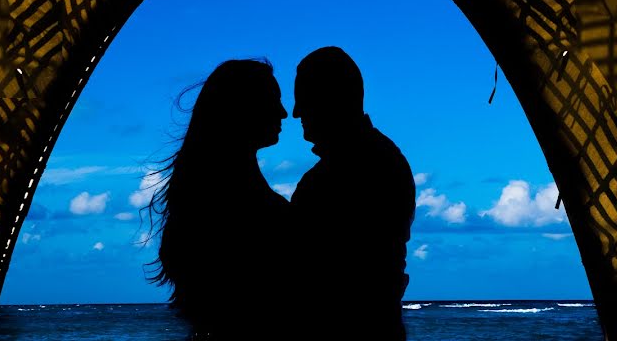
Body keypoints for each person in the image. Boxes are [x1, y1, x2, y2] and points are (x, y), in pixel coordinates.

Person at [146, 59, 291, 340]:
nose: (283, 112)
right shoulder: (241, 204)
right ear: (242, 109)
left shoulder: (203, 197)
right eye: (272, 100)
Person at [290, 46, 416, 340]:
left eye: (304, 98)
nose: (296, 112)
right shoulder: (377, 158)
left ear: (332, 98)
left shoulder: (348, 170)